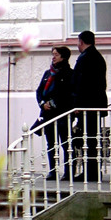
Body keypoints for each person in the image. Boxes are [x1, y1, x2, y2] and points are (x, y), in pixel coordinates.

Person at [68, 30, 109, 183]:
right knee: (92, 139)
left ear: (81, 41)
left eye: (78, 42)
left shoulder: (85, 58)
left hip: (88, 106)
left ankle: (90, 172)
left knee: (88, 140)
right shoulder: (98, 57)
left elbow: (81, 84)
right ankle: (92, 171)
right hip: (95, 104)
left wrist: (78, 105)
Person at [33, 46, 71, 180]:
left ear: (63, 57)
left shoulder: (68, 73)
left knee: (66, 143)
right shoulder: (47, 73)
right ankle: (53, 170)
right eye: (53, 54)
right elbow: (39, 91)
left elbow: (67, 94)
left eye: (56, 55)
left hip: (62, 114)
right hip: (47, 114)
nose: (53, 57)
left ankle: (68, 171)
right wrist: (43, 103)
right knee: (51, 143)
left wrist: (53, 103)